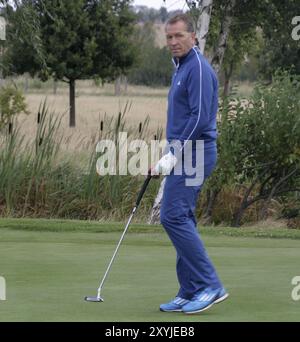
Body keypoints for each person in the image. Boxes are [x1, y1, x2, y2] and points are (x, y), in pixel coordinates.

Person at [151, 14, 228, 314]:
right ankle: (190, 288)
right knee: (182, 217)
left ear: (193, 36)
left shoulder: (196, 67)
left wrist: (174, 153)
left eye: (178, 36)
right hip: (183, 154)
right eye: (168, 37)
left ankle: (211, 285)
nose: (173, 42)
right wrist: (169, 153)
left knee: (171, 217)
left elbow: (199, 117)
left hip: (194, 154)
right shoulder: (181, 67)